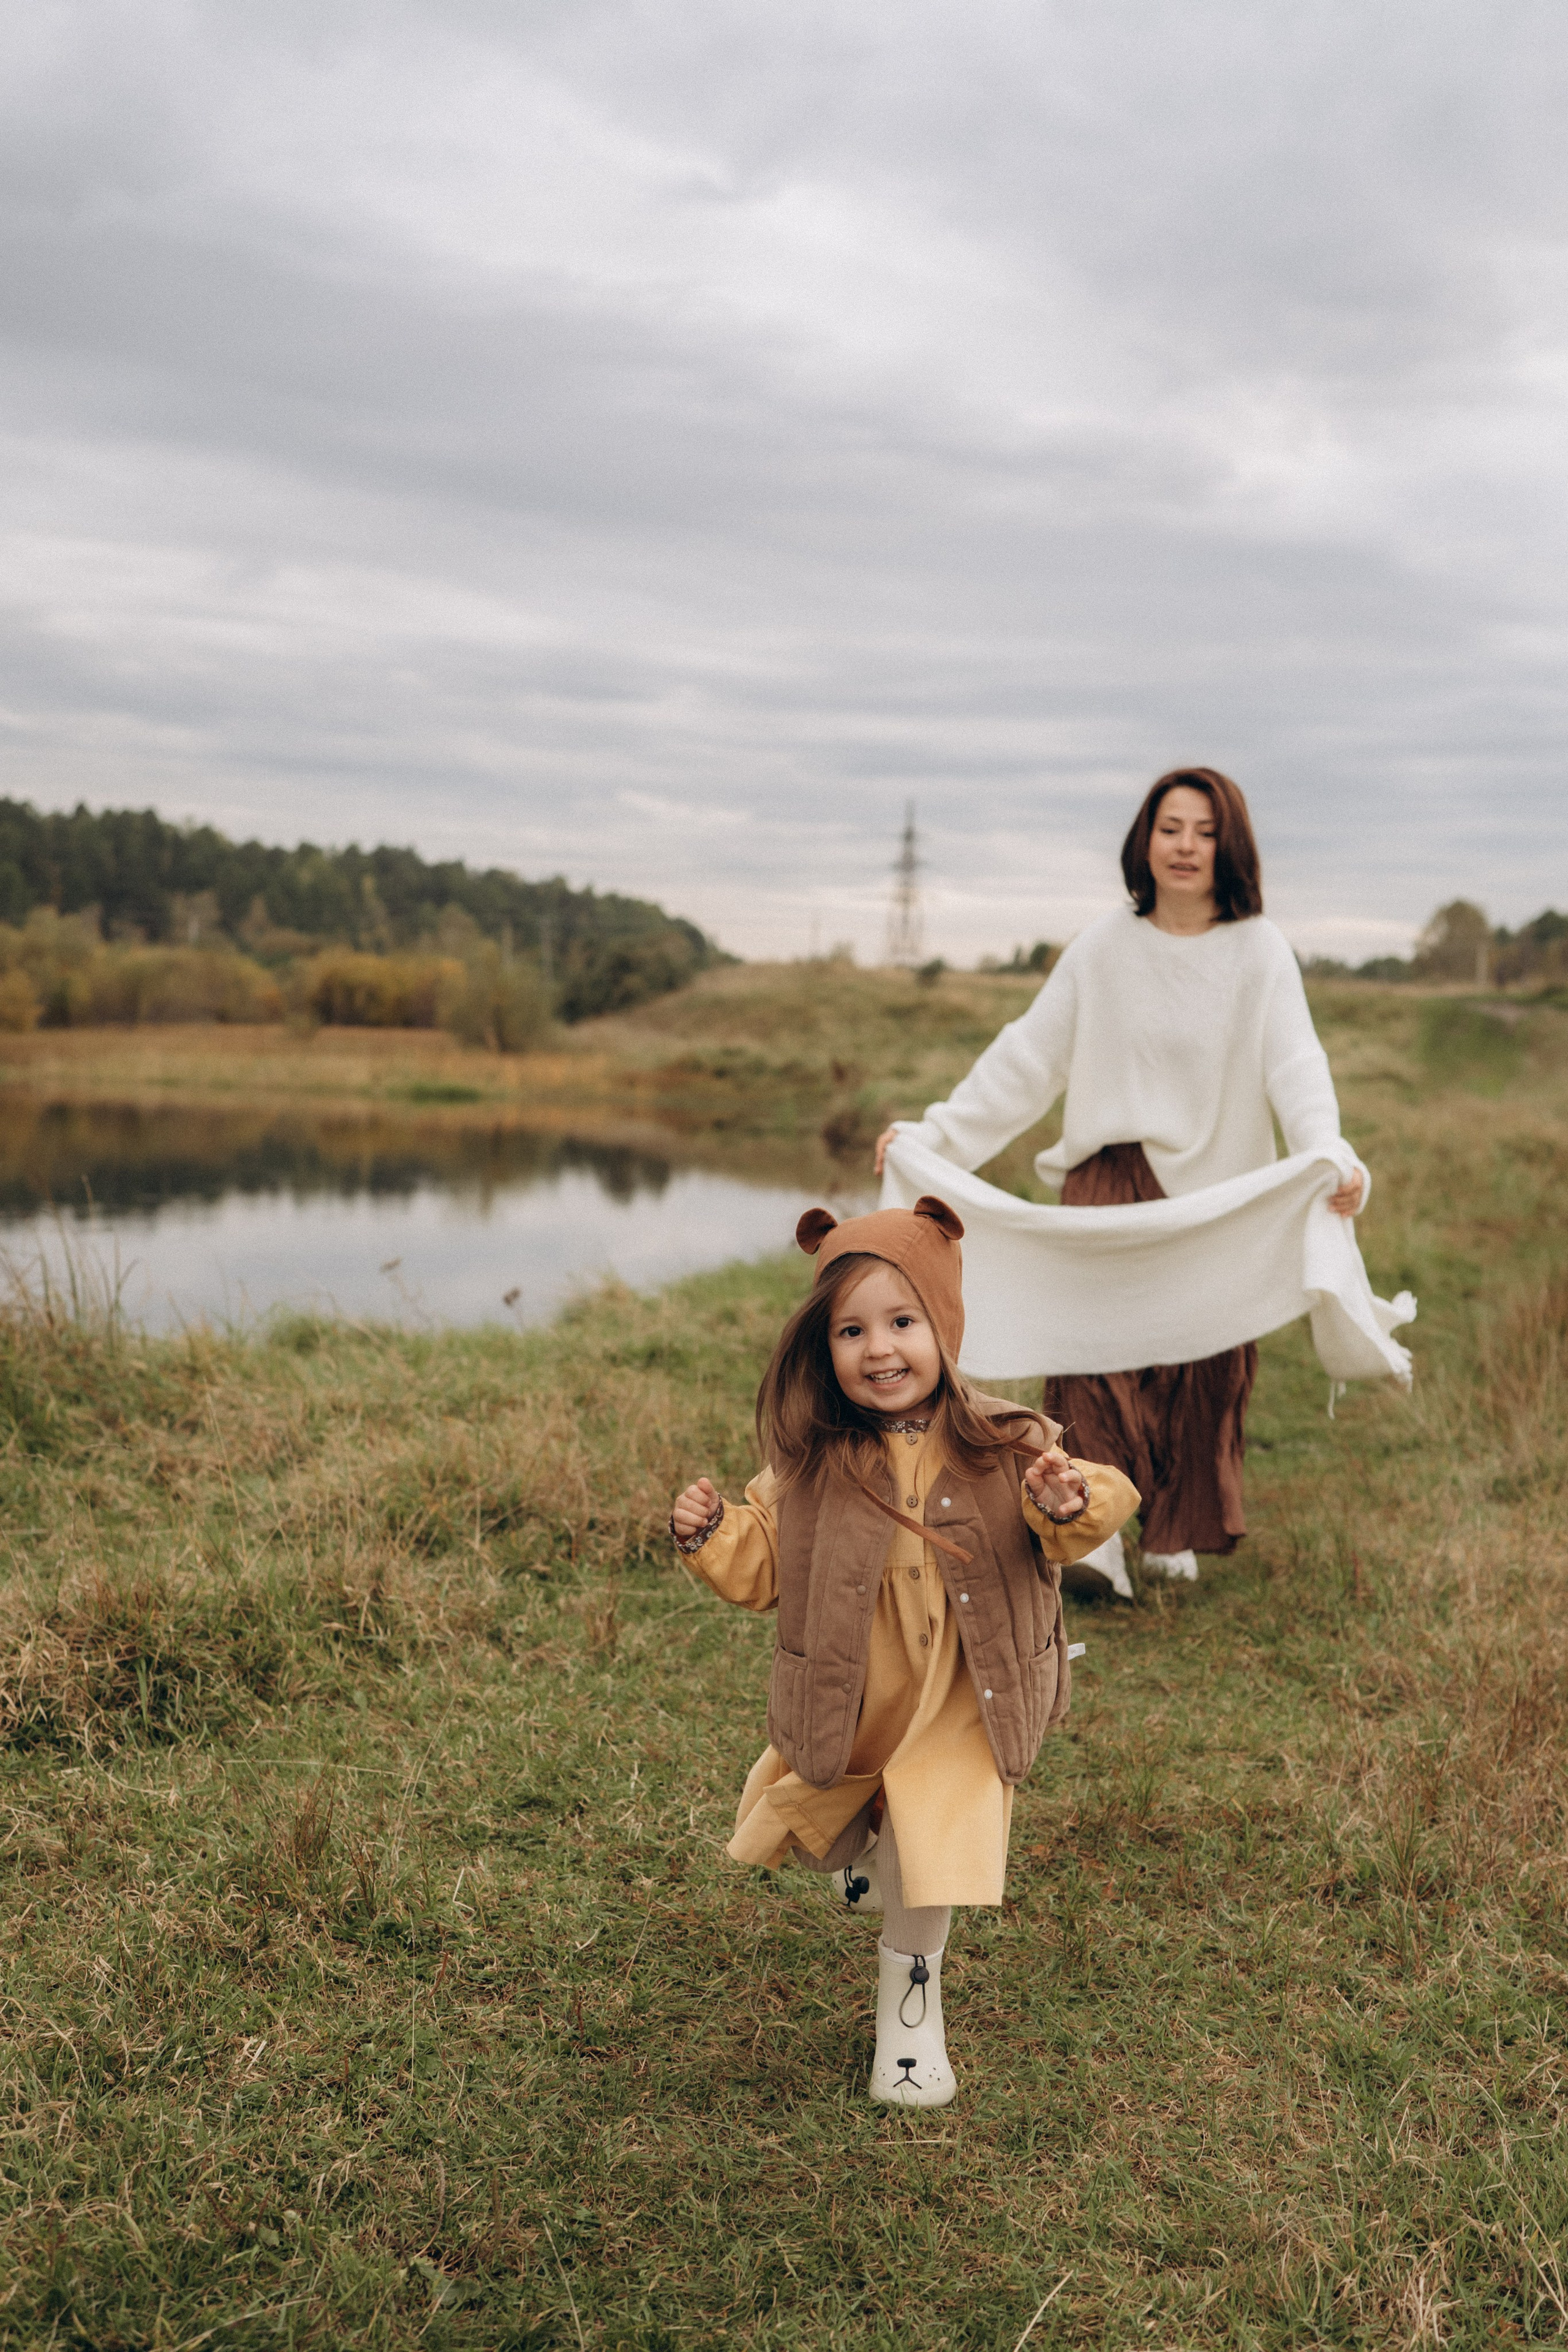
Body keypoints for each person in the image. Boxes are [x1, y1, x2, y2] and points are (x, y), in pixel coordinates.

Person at [669, 1197, 1138, 2108]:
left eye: (902, 1322)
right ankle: (869, 1853)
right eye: (852, 1330)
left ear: (944, 1326)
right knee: (834, 1824)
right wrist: (713, 1533)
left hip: (966, 1695)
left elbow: (1096, 1502)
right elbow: (763, 1563)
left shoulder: (1008, 1443)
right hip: (861, 1692)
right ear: (824, 1347)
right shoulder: (812, 1462)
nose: (879, 1349)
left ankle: (911, 2019)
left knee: (934, 1851)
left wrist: (1068, 1499)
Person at [875, 768, 1366, 1599]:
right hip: (1111, 1171)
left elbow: (1296, 1065)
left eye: (1204, 832)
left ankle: (1175, 1524)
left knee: (1207, 1356)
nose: (1185, 846)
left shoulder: (1261, 952)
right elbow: (1026, 1060)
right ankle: (1091, 1535)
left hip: (1221, 1193)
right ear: (1145, 839)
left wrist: (1329, 1151)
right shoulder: (1104, 947)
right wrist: (933, 1138)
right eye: (1170, 827)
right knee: (1092, 1349)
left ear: (1229, 847)